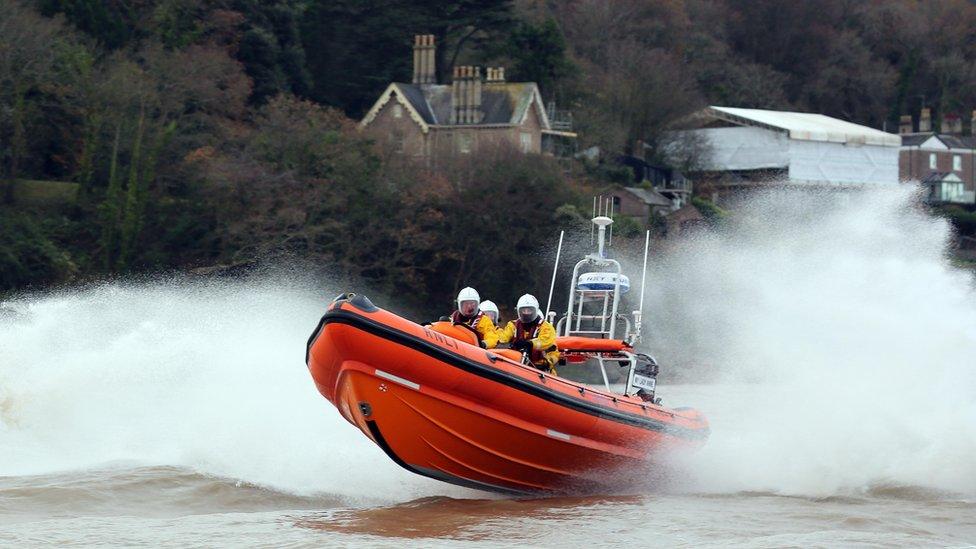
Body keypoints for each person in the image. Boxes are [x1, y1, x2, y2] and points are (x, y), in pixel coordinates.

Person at [497, 294, 560, 374]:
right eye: (524, 310)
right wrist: (510, 345)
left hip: (540, 370)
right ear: (519, 311)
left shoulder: (545, 327)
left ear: (535, 310)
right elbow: (502, 339)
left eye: (529, 310)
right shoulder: (512, 325)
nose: (526, 313)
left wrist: (530, 344)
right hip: (516, 366)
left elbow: (546, 341)